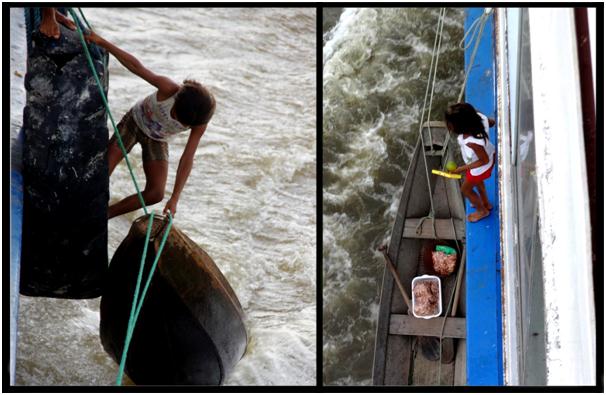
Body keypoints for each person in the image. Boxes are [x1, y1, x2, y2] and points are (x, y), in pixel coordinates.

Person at [84, 30, 216, 219]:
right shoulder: (170, 89)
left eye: (183, 123)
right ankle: (83, 203)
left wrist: (175, 199)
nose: (178, 122)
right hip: (134, 122)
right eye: (177, 116)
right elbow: (137, 67)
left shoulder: (200, 122)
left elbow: (187, 158)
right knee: (102, 173)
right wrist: (103, 42)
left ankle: (104, 215)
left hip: (157, 138)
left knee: (156, 193)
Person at [444, 102, 496, 223]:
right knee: (479, 184)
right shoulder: (480, 117)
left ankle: (482, 211)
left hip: (481, 167)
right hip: (487, 155)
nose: (448, 126)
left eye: (449, 124)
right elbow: (491, 122)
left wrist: (461, 169)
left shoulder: (472, 142)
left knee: (466, 190)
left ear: (460, 127)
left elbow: (484, 161)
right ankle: (486, 203)